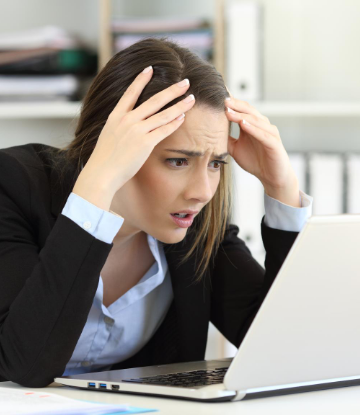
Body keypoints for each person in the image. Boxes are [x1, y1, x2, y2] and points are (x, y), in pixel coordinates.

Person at [0, 38, 312, 387]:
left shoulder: (196, 226)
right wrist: (97, 184)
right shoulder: (11, 185)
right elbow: (26, 365)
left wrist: (281, 189)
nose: (203, 193)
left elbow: (288, 351)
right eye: (177, 161)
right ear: (113, 142)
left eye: (216, 164)